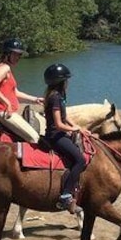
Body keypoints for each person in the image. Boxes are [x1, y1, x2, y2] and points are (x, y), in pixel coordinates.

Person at [42, 63, 89, 214]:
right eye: (66, 80)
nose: (68, 83)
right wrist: (72, 129)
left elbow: (65, 117)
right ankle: (66, 195)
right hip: (55, 136)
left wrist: (79, 127)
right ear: (60, 82)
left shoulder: (59, 96)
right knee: (80, 160)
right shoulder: (55, 98)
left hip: (60, 133)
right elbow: (58, 124)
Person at [0, 38, 43, 143]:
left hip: (6, 110)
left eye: (19, 55)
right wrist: (6, 102)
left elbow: (15, 93)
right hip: (3, 110)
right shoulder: (5, 68)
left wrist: (35, 100)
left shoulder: (4, 67)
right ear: (7, 54)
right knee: (35, 138)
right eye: (15, 54)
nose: (18, 57)